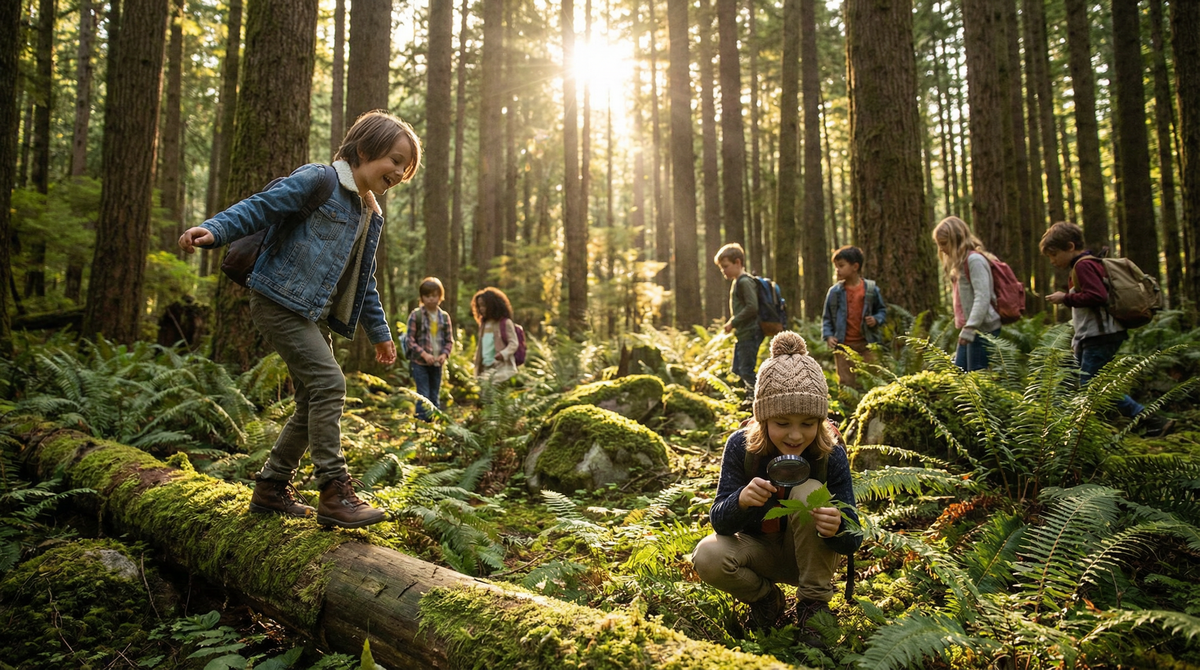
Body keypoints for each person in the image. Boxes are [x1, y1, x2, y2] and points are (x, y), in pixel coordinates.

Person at [178, 110, 422, 528]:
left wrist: (379, 334)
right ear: (364, 150)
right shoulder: (319, 180)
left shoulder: (369, 213)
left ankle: (271, 487)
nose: (399, 172)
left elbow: (365, 281)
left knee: (312, 399)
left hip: (312, 315)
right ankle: (333, 490)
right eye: (395, 160)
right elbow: (261, 207)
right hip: (276, 300)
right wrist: (215, 229)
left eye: (406, 167)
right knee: (330, 384)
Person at [692, 331, 862, 634]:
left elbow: (854, 537)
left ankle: (813, 609)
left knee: (810, 491)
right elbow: (719, 521)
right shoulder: (741, 447)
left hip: (811, 559)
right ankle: (767, 599)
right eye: (782, 424)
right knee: (707, 555)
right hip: (758, 551)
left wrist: (838, 525)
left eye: (808, 424)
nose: (795, 436)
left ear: (820, 422)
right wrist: (741, 500)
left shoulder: (829, 452)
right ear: (763, 419)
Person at [1041, 222, 1175, 437]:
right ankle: (1078, 430)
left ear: (1070, 246)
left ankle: (1149, 420)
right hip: (1093, 336)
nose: (1053, 260)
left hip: (1100, 335)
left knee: (1092, 387)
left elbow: (1097, 296)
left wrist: (1065, 298)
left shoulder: (1083, 266)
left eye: (1054, 254)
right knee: (1086, 383)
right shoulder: (1085, 265)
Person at [932, 216, 1002, 372]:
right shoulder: (961, 263)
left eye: (944, 244)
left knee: (975, 377)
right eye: (939, 245)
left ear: (956, 240)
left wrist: (971, 328)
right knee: (960, 375)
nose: (942, 249)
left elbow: (982, 297)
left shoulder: (974, 260)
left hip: (982, 329)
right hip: (971, 329)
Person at [822, 246, 887, 390]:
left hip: (868, 344)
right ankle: (848, 409)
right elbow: (827, 318)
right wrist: (828, 336)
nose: (837, 270)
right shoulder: (834, 292)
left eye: (841, 266)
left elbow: (882, 310)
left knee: (873, 379)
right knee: (846, 383)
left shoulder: (870, 290)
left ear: (855, 266)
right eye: (836, 267)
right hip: (843, 346)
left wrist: (876, 319)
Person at [714, 243, 764, 398]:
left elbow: (752, 307)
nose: (723, 271)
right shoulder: (738, 281)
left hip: (750, 332)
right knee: (737, 369)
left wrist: (733, 322)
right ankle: (749, 397)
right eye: (721, 268)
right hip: (743, 333)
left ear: (738, 262)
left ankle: (759, 399)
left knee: (746, 370)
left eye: (726, 266)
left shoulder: (744, 281)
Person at [405, 277, 454, 421]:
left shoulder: (444, 317)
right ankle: (422, 426)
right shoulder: (416, 315)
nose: (431, 299)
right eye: (427, 296)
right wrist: (424, 354)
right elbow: (409, 340)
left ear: (440, 296)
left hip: (437, 363)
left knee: (434, 395)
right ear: (422, 297)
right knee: (423, 395)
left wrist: (444, 355)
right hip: (419, 363)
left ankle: (435, 427)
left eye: (434, 295)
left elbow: (449, 341)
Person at [471, 287, 519, 385]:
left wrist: (503, 354)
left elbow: (514, 343)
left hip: (501, 368)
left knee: (495, 396)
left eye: (484, 306)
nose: (481, 309)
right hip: (485, 368)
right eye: (479, 306)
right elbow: (481, 345)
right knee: (485, 396)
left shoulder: (505, 323)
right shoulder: (483, 324)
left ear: (493, 305)